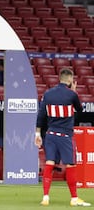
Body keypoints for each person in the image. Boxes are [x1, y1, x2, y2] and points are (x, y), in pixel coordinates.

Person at [35, 68, 91, 207]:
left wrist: (37, 133)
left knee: (49, 163)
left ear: (59, 78)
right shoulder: (71, 95)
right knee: (70, 165)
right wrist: (74, 91)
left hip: (50, 135)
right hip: (65, 135)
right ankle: (74, 198)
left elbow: (41, 115)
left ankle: (45, 197)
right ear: (70, 79)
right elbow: (80, 110)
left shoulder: (48, 94)